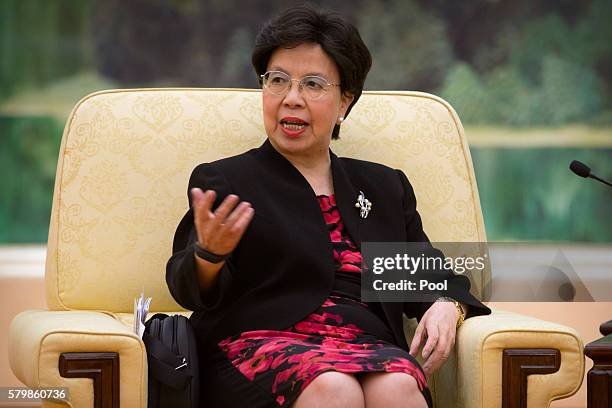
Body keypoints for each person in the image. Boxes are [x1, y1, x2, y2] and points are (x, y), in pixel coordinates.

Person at [167, 5, 491, 408]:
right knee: (332, 387)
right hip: (260, 345)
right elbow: (188, 287)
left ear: (344, 103)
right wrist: (209, 254)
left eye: (313, 84)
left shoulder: (383, 187)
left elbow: (430, 280)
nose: (292, 99)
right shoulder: (228, 181)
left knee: (398, 386)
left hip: (367, 346)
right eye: (278, 81)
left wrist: (447, 305)